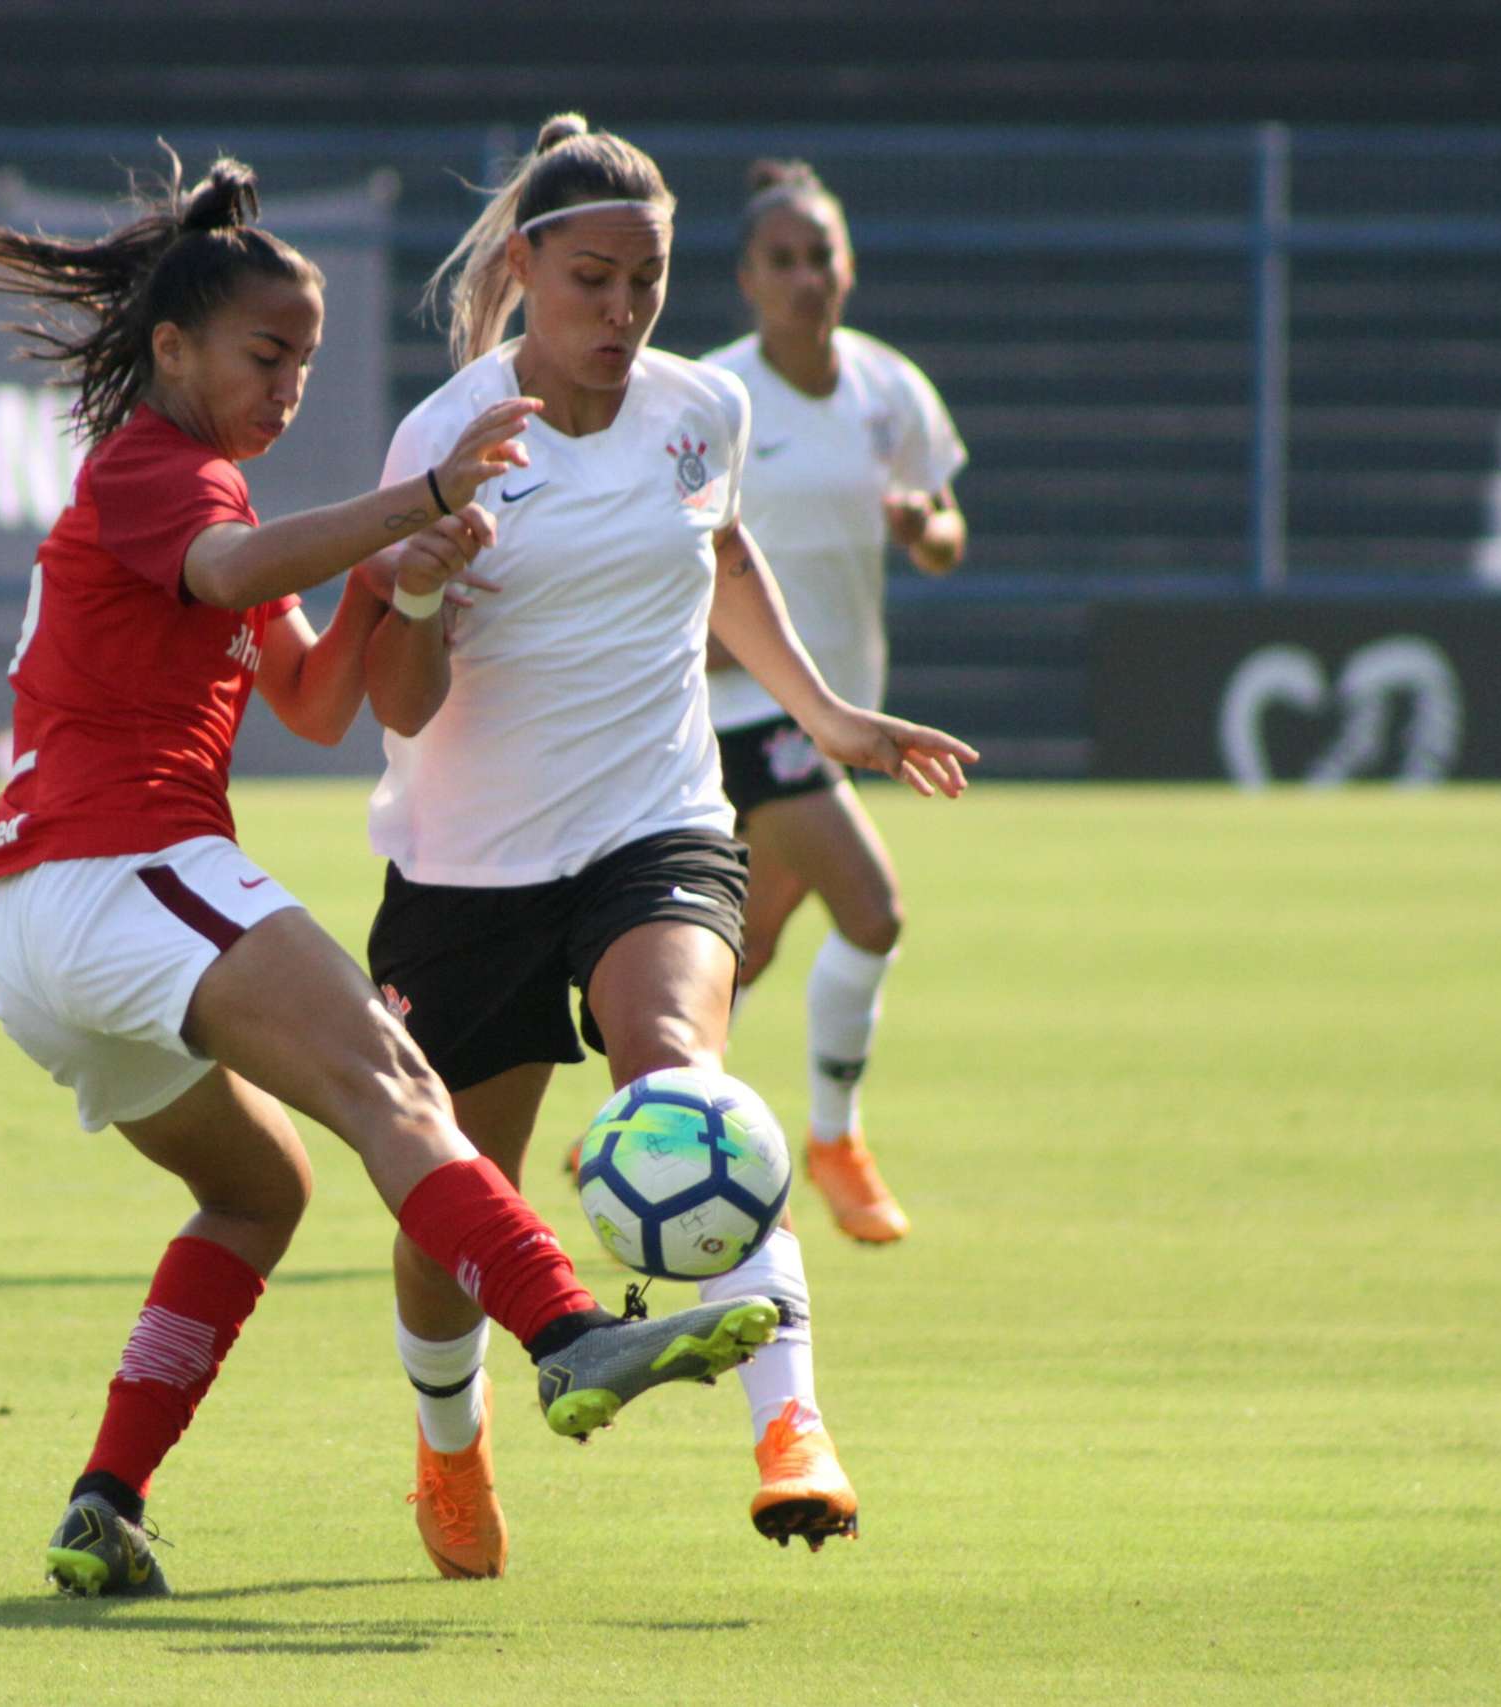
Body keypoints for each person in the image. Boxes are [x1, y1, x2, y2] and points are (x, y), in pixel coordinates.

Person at [0, 151, 788, 1600]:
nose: (286, 389)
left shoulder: (217, 497)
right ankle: (570, 1333)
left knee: (258, 1192)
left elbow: (324, 704)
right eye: (265, 356)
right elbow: (220, 574)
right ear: (172, 349)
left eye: (306, 362)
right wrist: (416, 502)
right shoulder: (161, 469)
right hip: (119, 866)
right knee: (391, 1081)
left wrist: (407, 579)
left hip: (53, 936)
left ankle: (105, 1493)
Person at [356, 115, 978, 1575]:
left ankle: (793, 1427)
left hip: (659, 821)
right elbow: (390, 696)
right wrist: (430, 589)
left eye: (646, 280)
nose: (624, 313)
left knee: (689, 1092)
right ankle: (451, 1446)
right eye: (591, 280)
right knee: (463, 1192)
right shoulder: (448, 439)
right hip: (470, 864)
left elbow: (720, 544)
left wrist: (824, 713)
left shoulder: (704, 407)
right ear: (525, 268)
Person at [702, 159, 970, 1245]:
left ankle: (650, 1127)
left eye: (823, 256)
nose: (807, 276)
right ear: (746, 278)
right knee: (873, 907)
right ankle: (833, 1142)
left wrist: (923, 531)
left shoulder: (884, 389)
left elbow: (950, 534)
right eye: (784, 259)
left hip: (840, 707)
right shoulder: (716, 396)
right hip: (743, 713)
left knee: (747, 944)